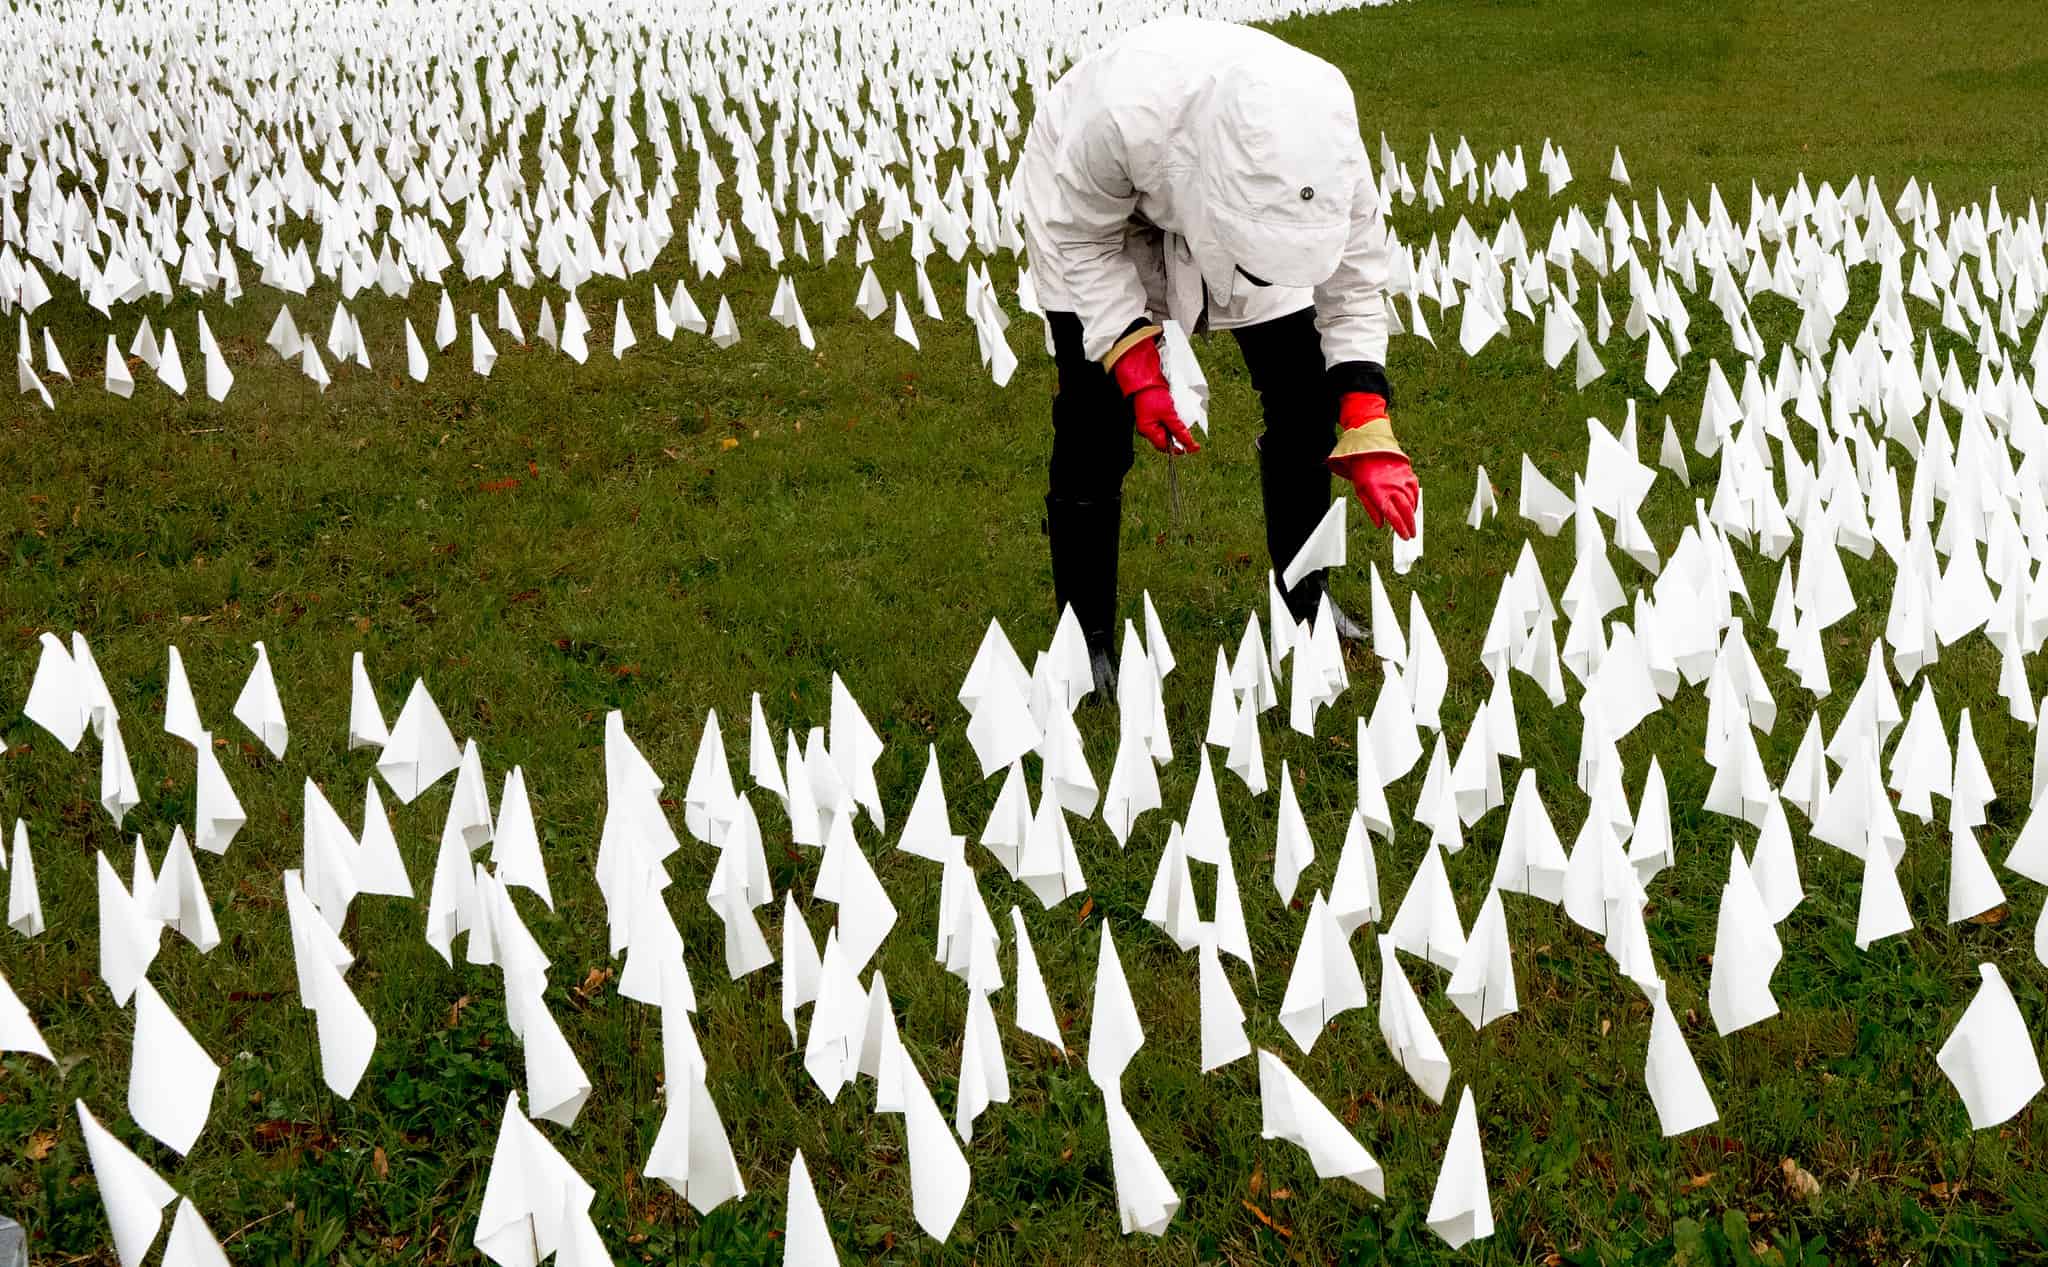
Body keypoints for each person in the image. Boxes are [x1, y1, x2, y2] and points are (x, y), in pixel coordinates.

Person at [1018, 16, 1418, 694]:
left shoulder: (1327, 148)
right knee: (1093, 416)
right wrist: (1135, 365)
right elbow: (1080, 240)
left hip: (1254, 214)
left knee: (1303, 395)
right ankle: (1083, 643)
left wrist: (1366, 415)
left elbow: (1352, 282)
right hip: (1096, 216)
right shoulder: (1120, 116)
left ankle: (1305, 598)